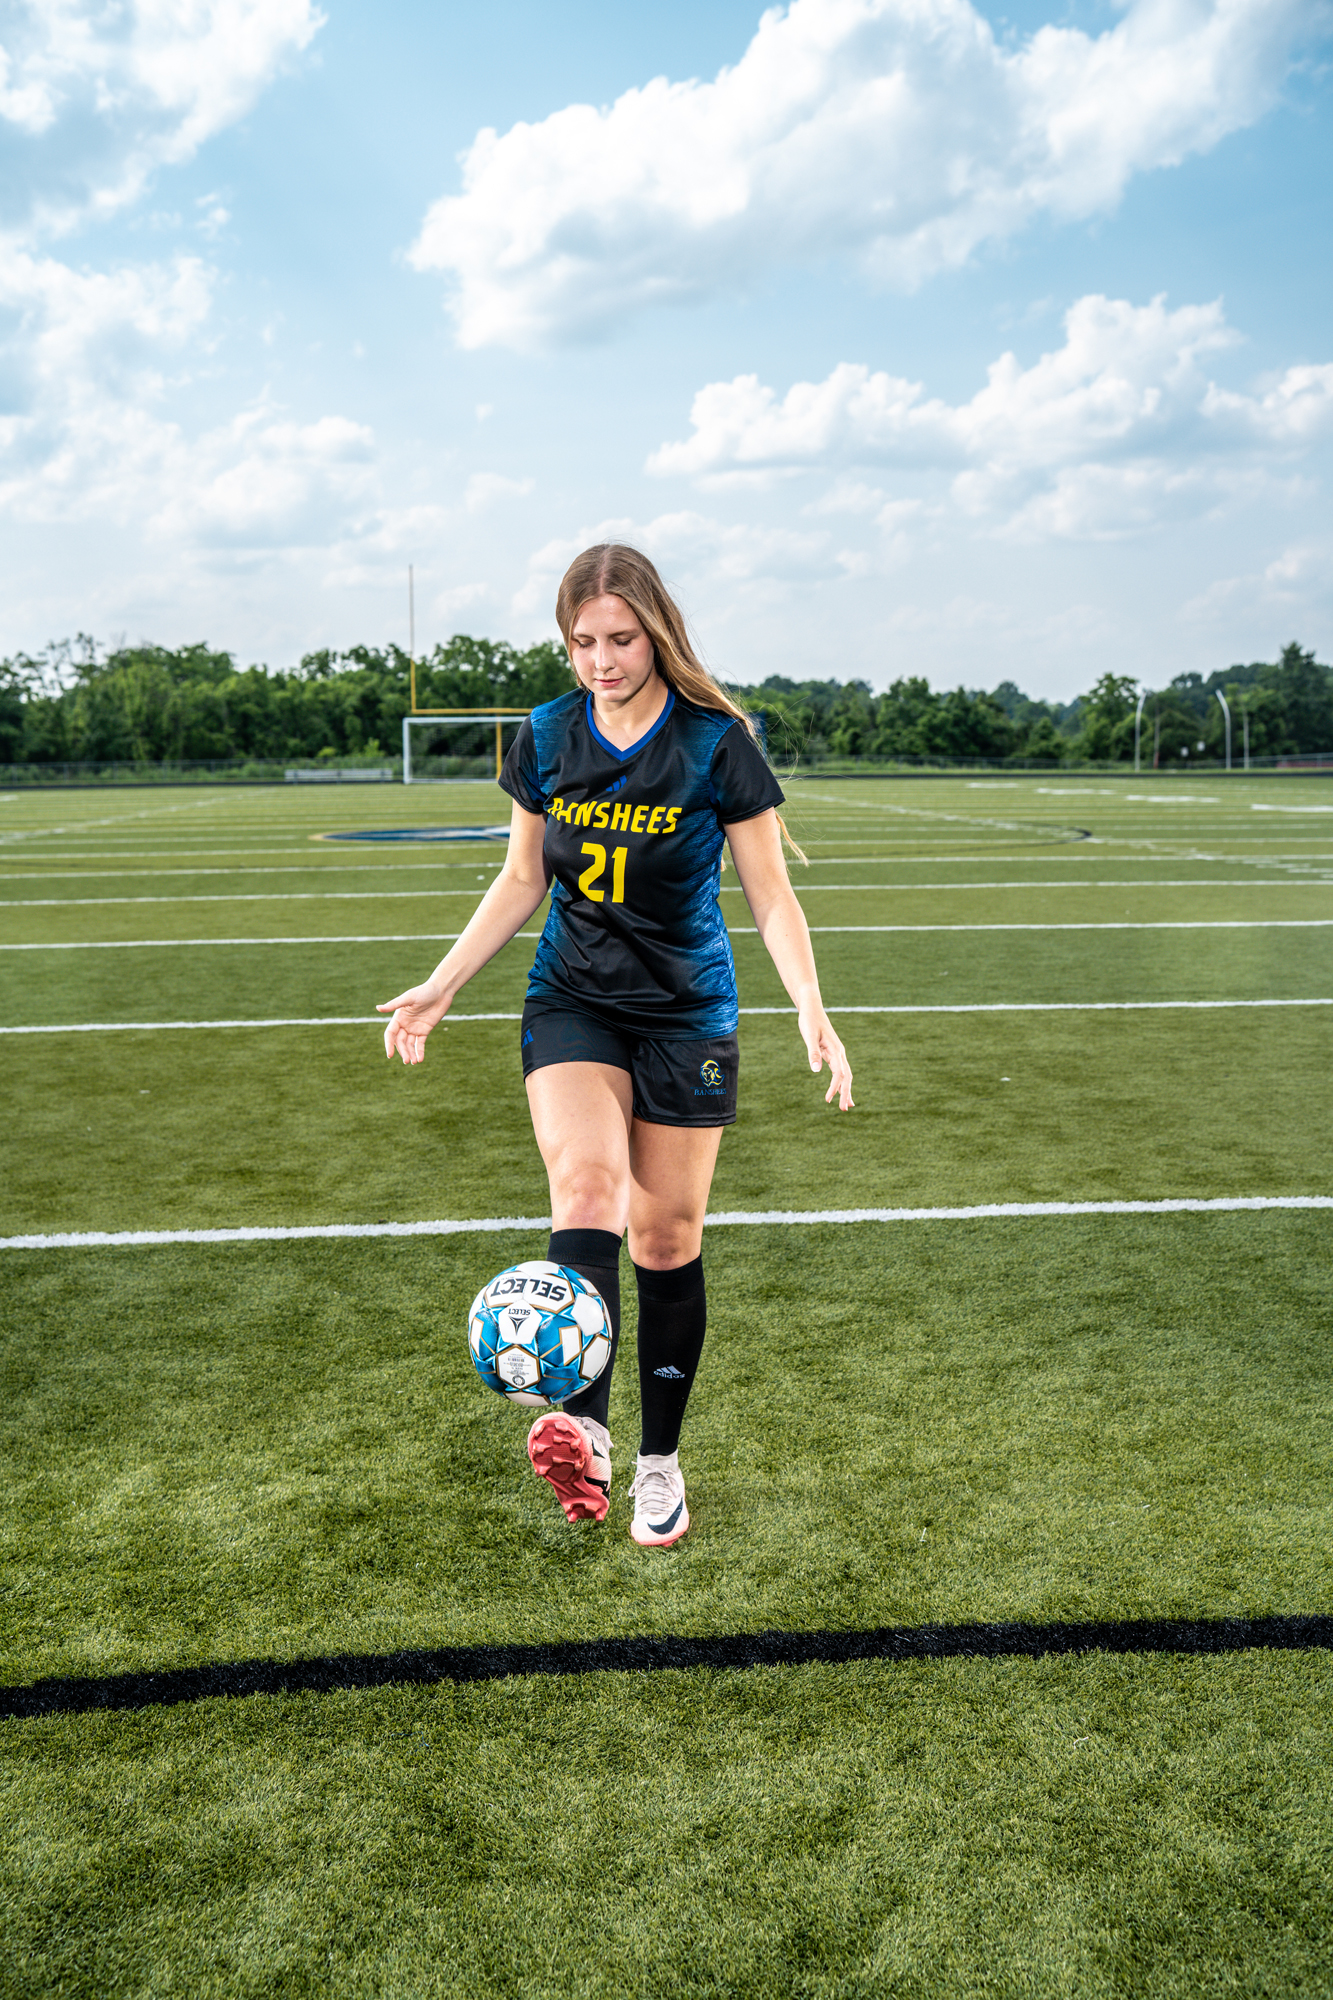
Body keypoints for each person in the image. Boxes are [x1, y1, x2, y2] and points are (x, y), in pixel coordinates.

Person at [379, 544, 853, 1548]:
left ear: (657, 633)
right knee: (587, 1189)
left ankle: (658, 1463)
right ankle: (586, 1435)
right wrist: (442, 982)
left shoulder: (716, 742)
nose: (601, 661)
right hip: (573, 998)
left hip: (685, 1012)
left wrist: (810, 1005)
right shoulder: (548, 734)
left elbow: (770, 894)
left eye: (621, 640)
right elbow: (522, 876)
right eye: (582, 642)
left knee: (664, 1239)